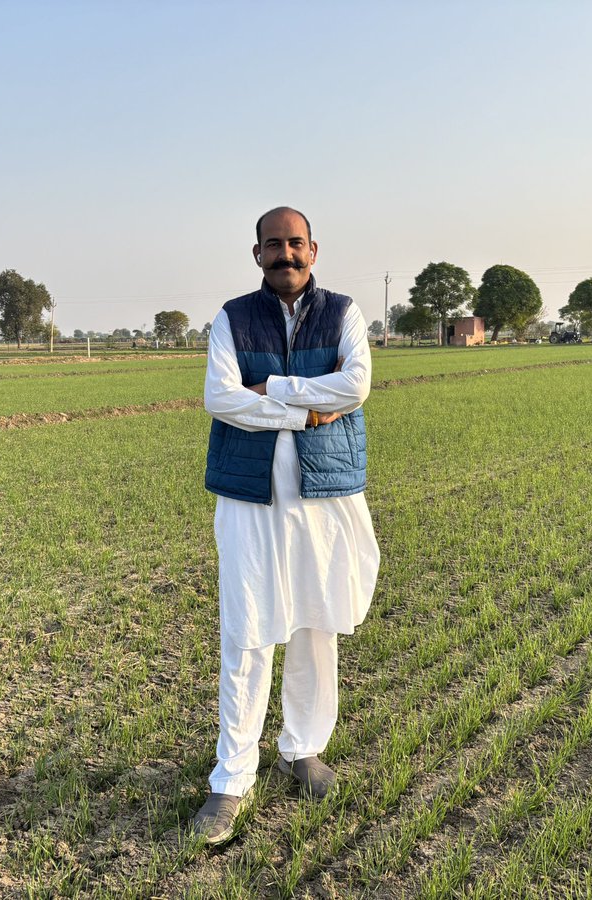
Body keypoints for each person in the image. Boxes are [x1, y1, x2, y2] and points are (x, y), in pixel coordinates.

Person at [190, 206, 380, 844]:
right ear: (257, 254)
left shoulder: (345, 312)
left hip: (322, 496)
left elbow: (354, 386)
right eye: (273, 245)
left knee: (314, 623)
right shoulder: (232, 317)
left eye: (295, 244)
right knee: (247, 630)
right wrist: (300, 409)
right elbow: (220, 397)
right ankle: (231, 779)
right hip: (249, 496)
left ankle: (302, 750)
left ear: (314, 249)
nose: (285, 254)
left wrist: (268, 389)